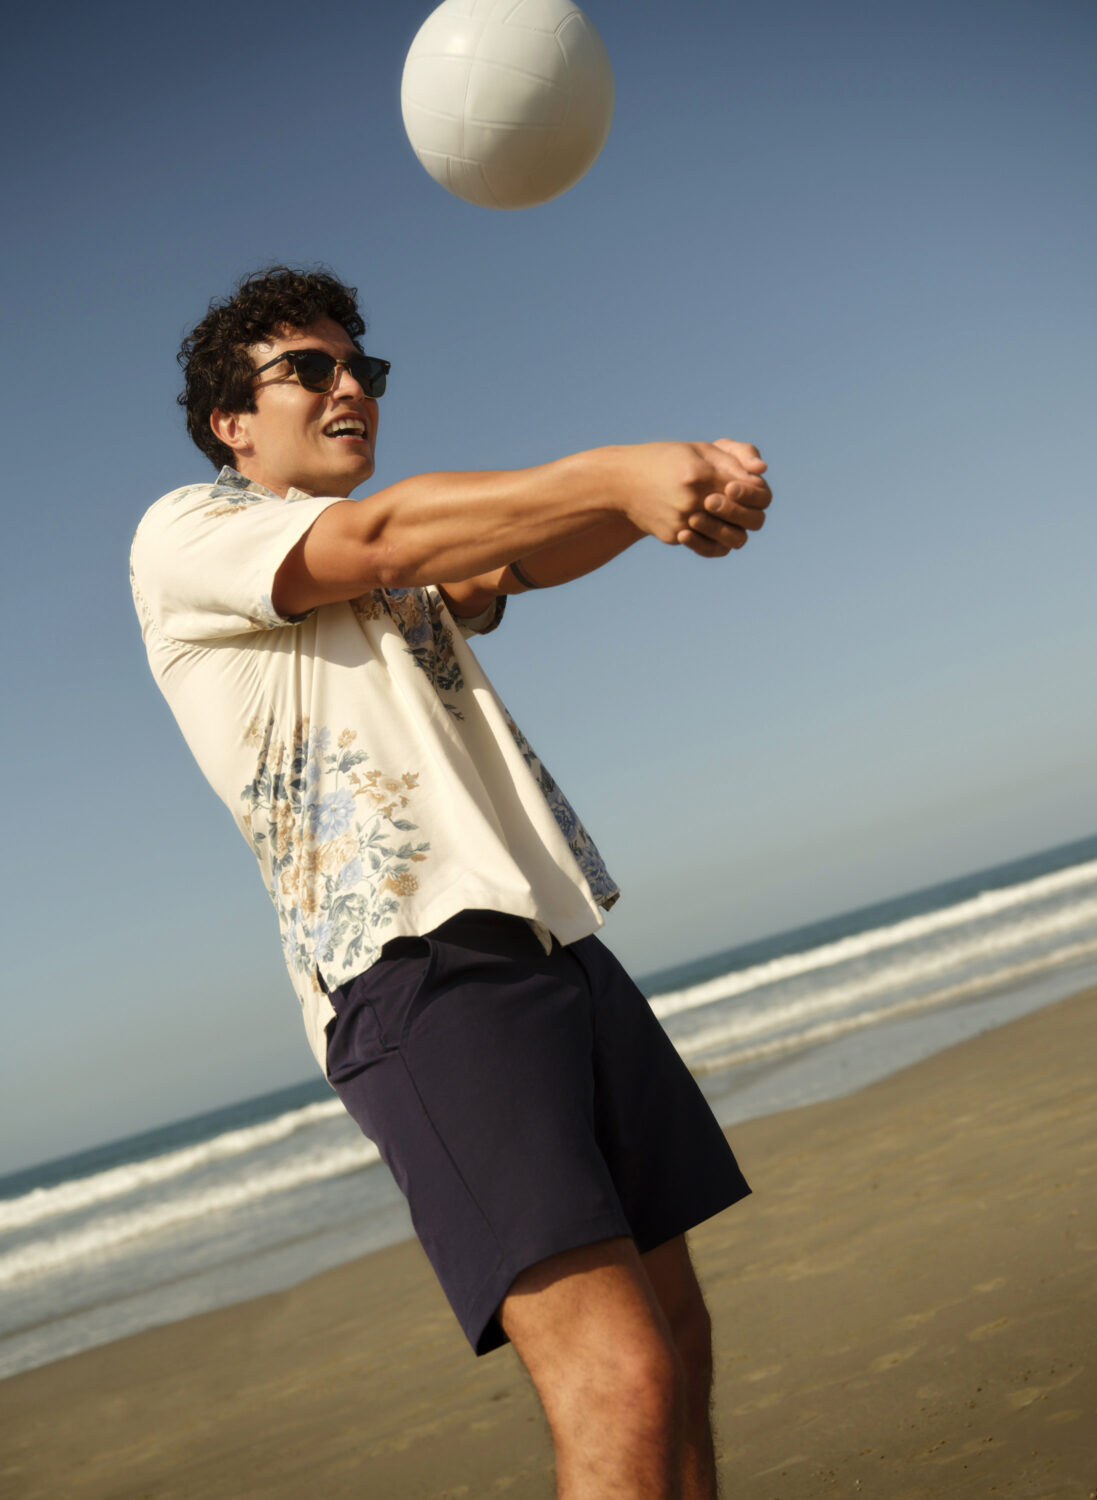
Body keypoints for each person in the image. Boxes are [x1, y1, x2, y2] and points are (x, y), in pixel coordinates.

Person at [131, 265, 772, 1500]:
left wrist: (653, 506)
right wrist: (613, 471)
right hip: (417, 975)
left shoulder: (399, 567)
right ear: (230, 421)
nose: (347, 387)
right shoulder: (192, 535)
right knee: (616, 1381)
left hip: (554, 947)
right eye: (307, 371)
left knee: (678, 1350)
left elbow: (505, 564)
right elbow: (385, 533)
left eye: (360, 368)